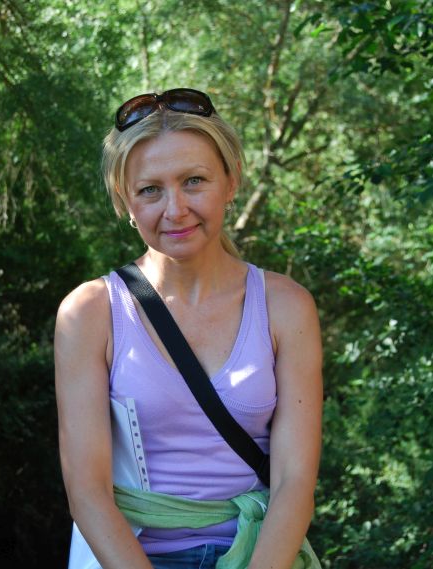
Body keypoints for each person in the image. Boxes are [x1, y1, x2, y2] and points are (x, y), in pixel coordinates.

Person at [55, 88, 323, 569]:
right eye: (150, 190)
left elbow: (294, 481)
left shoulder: (286, 307)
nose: (175, 209)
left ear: (231, 181)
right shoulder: (91, 313)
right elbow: (87, 492)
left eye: (194, 181)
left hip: (257, 554)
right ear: (125, 201)